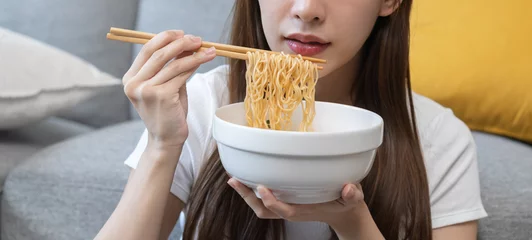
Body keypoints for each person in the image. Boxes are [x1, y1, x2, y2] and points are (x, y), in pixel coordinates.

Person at [95, 0, 487, 239]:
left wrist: (352, 223)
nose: (306, 9)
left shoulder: (438, 136)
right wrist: (163, 146)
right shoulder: (202, 104)